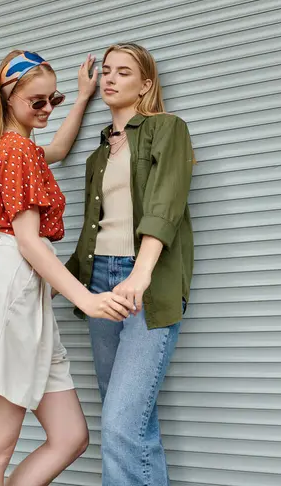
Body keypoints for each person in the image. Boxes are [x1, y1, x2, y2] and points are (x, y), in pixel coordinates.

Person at [0, 50, 133, 486]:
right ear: (7, 97)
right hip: (11, 289)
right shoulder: (14, 149)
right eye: (35, 101)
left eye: (50, 100)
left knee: (70, 435)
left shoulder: (23, 147)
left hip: (27, 294)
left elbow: (55, 148)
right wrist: (87, 299)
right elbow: (30, 243)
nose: (45, 109)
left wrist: (79, 99)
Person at [65, 43, 195, 485]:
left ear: (146, 84)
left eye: (124, 71)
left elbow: (165, 205)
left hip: (148, 285)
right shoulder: (97, 156)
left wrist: (140, 273)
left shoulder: (167, 129)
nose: (111, 78)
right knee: (133, 422)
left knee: (122, 424)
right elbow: (92, 230)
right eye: (106, 70)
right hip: (100, 283)